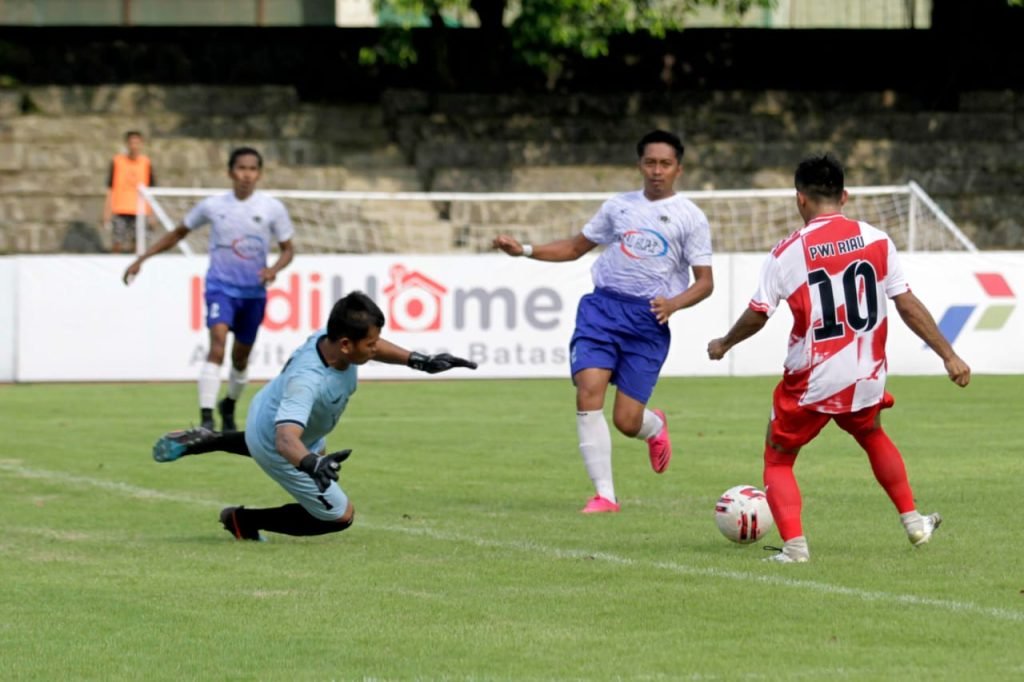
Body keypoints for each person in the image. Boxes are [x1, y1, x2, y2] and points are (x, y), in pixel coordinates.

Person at [707, 153, 971, 563]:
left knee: (778, 458)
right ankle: (914, 522)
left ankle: (794, 548)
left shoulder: (787, 252)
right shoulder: (877, 239)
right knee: (872, 435)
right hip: (865, 373)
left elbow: (759, 313)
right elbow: (906, 303)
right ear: (844, 195)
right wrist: (949, 355)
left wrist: (724, 343)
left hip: (812, 377)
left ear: (800, 199)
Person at [493, 129, 714, 513]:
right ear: (639, 165)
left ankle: (655, 427)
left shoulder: (691, 218)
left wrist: (674, 305)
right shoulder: (618, 206)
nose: (656, 171)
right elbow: (576, 248)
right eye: (650, 163)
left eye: (665, 164)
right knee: (588, 389)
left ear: (678, 168)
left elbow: (706, 283)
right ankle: (605, 496)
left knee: (627, 422)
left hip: (648, 320)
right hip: (602, 310)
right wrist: (524, 250)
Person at [151, 291, 478, 541]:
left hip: (274, 411)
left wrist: (420, 361)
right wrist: (310, 464)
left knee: (308, 449)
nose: (376, 348)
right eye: (371, 344)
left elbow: (375, 347)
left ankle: (211, 439)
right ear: (347, 345)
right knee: (338, 515)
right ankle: (243, 520)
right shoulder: (308, 381)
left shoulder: (333, 337)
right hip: (278, 440)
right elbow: (285, 440)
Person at [123, 147, 295, 432]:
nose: (246, 175)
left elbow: (288, 250)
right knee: (217, 344)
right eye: (241, 168)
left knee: (240, 357)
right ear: (230, 172)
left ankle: (228, 404)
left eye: (252, 169)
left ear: (259, 174)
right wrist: (143, 258)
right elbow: (179, 232)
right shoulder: (213, 206)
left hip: (253, 293)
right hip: (220, 287)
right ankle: (205, 417)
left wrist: (273, 270)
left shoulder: (272, 209)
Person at [103, 130, 156, 254]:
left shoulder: (146, 163)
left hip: (141, 209)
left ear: (142, 144)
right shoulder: (117, 161)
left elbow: (151, 191)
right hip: (120, 208)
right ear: (127, 144)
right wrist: (106, 211)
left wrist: (152, 214)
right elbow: (110, 188)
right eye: (132, 143)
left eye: (137, 143)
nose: (134, 146)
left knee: (139, 244)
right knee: (117, 242)